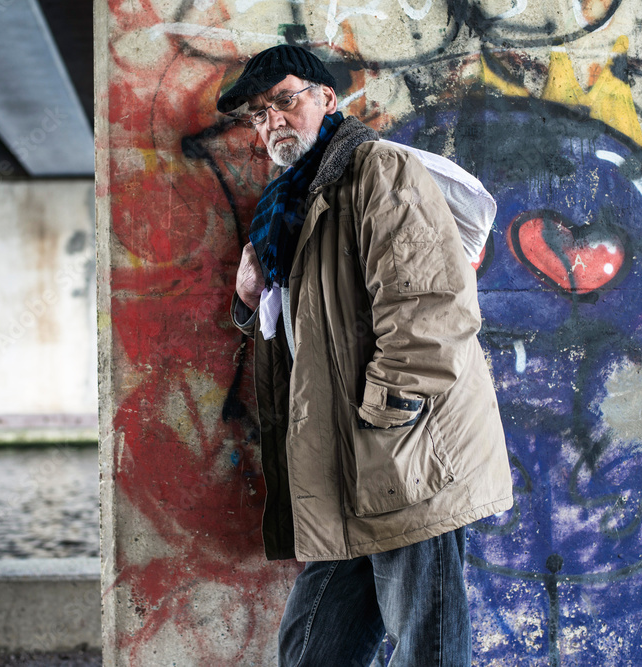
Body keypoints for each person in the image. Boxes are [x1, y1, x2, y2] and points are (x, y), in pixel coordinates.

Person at [218, 44, 514, 666]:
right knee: (312, 649)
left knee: (425, 647)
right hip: (341, 463)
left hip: (400, 457)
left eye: (284, 99)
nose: (271, 119)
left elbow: (432, 308)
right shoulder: (286, 205)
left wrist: (385, 418)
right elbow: (298, 327)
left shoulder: (376, 171)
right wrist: (249, 299)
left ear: (327, 98)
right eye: (258, 112)